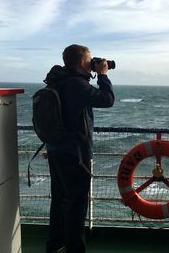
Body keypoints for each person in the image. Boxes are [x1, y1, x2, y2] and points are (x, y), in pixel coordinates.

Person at [44, 44, 115, 253]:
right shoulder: (76, 84)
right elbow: (107, 99)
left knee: (59, 202)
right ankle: (75, 249)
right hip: (74, 154)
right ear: (82, 62)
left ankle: (54, 246)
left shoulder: (57, 81)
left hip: (55, 149)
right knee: (76, 206)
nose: (93, 63)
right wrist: (102, 75)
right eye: (90, 60)